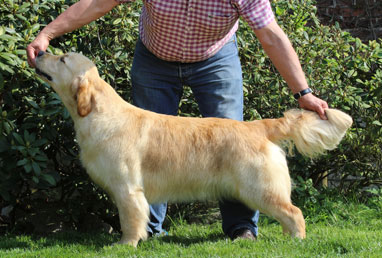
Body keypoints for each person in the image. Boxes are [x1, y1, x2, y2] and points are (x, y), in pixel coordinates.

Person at [27, 0, 328, 240]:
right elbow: (97, 3)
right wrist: (48, 34)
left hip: (214, 57)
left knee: (235, 145)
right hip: (155, 58)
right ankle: (148, 232)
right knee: (148, 149)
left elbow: (271, 34)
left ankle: (242, 230)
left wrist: (303, 92)